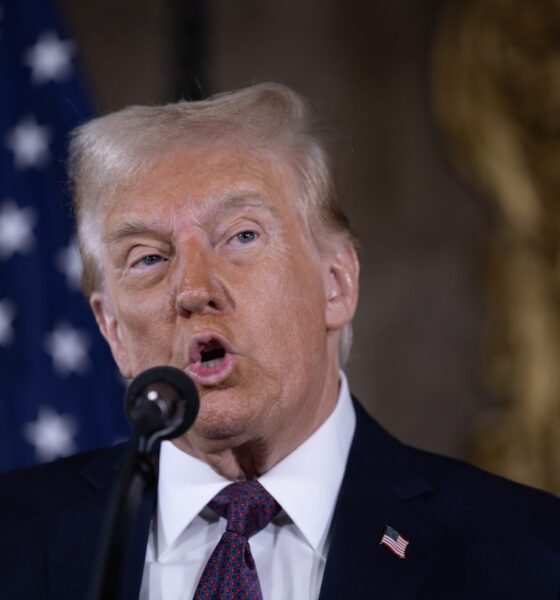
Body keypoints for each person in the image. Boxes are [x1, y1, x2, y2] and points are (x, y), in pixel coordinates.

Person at [1, 83, 560, 600]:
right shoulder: (14, 540)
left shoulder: (530, 553)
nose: (194, 289)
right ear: (113, 331)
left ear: (336, 284)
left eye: (243, 236)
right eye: (148, 257)